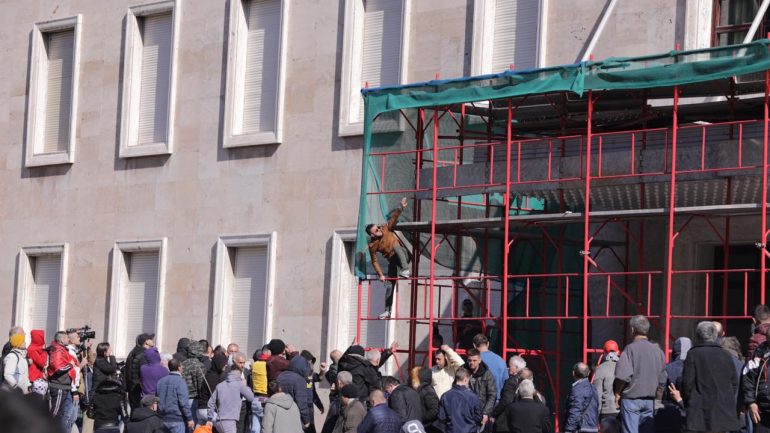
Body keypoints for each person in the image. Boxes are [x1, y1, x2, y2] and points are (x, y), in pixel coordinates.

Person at [682, 321, 741, 433]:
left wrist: (689, 401)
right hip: (722, 409)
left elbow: (687, 384)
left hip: (700, 409)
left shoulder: (693, 354)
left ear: (698, 335)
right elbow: (734, 382)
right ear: (715, 336)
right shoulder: (726, 354)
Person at [613, 315, 666, 433]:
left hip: (631, 399)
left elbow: (623, 376)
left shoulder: (630, 349)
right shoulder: (658, 351)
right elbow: (662, 379)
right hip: (650, 401)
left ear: (632, 330)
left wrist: (617, 393)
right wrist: (658, 398)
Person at [366, 196, 410, 319]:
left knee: (395, 246)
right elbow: (374, 261)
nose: (379, 230)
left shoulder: (385, 228)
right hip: (393, 261)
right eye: (376, 230)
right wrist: (380, 274)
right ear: (372, 235)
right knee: (389, 284)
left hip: (403, 255)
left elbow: (393, 218)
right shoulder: (373, 245)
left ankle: (406, 270)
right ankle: (387, 310)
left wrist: (401, 207)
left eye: (378, 227)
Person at [206, 352, 255, 433]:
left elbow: (211, 402)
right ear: (234, 362)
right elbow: (251, 397)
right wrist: (244, 385)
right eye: (240, 363)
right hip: (229, 414)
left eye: (244, 363)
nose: (242, 365)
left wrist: (210, 418)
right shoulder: (225, 375)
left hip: (240, 409)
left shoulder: (246, 372)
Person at [438, 367, 483, 433]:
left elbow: (441, 417)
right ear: (465, 380)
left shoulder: (445, 396)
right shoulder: (473, 397)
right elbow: (479, 417)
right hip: (469, 430)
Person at [48, 331, 77, 431]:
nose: (68, 339)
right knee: (55, 413)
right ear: (61, 340)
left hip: (63, 386)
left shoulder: (62, 349)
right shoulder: (58, 351)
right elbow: (58, 368)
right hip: (59, 386)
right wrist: (70, 365)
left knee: (59, 414)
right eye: (66, 338)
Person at [157, 359, 194, 433]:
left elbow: (157, 399)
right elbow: (183, 402)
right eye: (181, 366)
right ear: (179, 368)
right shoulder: (180, 381)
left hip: (162, 418)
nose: (183, 367)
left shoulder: (161, 381)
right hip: (176, 419)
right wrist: (189, 418)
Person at [491, 355, 526, 433]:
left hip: (505, 422)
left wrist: (494, 413)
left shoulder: (511, 382)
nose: (508, 368)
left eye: (510, 366)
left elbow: (506, 400)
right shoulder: (523, 381)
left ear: (516, 368)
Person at [278, 353, 313, 429]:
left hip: (279, 414)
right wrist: (306, 420)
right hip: (294, 416)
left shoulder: (280, 376)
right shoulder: (300, 380)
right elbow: (301, 402)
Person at [564, 362, 599, 433]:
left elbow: (575, 410)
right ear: (588, 373)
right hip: (592, 427)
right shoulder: (593, 387)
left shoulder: (578, 389)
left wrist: (569, 430)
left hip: (582, 428)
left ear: (573, 373)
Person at [466, 349, 496, 427]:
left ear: (479, 360)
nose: (471, 363)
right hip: (465, 412)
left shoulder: (487, 374)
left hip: (481, 411)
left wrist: (485, 413)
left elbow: (492, 395)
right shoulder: (463, 371)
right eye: (469, 360)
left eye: (474, 360)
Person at [592, 341, 620, 425]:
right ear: (617, 352)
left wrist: (596, 415)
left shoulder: (601, 368)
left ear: (604, 352)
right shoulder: (624, 367)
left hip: (607, 411)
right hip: (622, 410)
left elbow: (598, 394)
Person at [181, 340, 208, 425]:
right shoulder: (199, 366)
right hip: (194, 399)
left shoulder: (182, 364)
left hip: (183, 398)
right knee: (193, 424)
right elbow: (201, 385)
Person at [473, 334, 507, 400]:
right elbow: (505, 382)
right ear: (488, 344)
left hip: (479, 399)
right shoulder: (501, 360)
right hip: (496, 399)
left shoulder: (473, 361)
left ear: (474, 345)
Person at [126, 333, 154, 409]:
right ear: (146, 342)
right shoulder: (144, 355)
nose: (152, 341)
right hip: (140, 390)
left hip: (133, 389)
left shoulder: (132, 352)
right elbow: (145, 374)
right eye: (150, 339)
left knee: (134, 411)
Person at [27, 329, 48, 396]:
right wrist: (44, 351)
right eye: (42, 337)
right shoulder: (32, 349)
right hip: (34, 378)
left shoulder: (38, 348)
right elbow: (42, 363)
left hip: (38, 378)